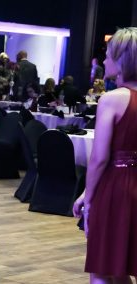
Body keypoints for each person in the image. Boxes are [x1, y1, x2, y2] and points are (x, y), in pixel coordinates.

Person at [73, 27, 137, 284]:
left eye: (109, 55)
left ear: (122, 60)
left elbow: (99, 159)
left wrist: (89, 197)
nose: (104, 60)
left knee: (102, 266)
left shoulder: (111, 99)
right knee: (121, 267)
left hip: (115, 189)